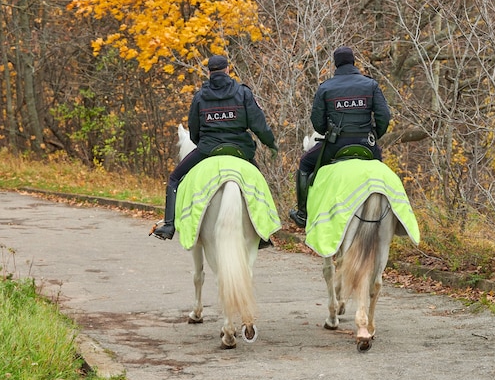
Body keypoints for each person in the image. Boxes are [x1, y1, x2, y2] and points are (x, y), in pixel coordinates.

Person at [152, 55, 278, 240]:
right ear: (228, 70)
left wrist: (203, 143)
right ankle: (264, 233)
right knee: (259, 182)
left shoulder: (200, 97)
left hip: (208, 149)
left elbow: (194, 130)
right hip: (240, 150)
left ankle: (169, 225)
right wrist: (270, 143)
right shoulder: (243, 93)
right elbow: (259, 125)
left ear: (209, 72)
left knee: (174, 178)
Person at [289, 46, 391, 228]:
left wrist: (328, 131)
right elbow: (384, 116)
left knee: (305, 162)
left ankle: (303, 213)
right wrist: (375, 135)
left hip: (336, 144)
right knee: (383, 175)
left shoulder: (326, 87)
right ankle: (392, 215)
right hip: (366, 144)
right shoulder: (371, 85)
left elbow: (317, 122)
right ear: (354, 61)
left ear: (335, 64)